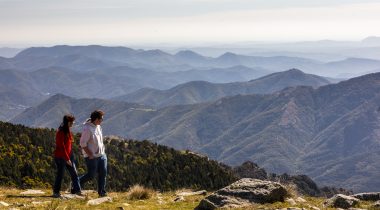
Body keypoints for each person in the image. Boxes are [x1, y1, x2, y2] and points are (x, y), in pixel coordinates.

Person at [79, 110, 107, 197]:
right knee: (91, 175)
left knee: (103, 173)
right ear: (96, 119)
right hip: (92, 156)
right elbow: (82, 143)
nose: (102, 120)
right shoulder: (87, 128)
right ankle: (76, 183)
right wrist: (90, 154)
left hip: (102, 155)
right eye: (101, 119)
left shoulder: (98, 126)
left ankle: (102, 192)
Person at [53, 114, 82, 198]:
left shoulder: (67, 130)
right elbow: (61, 146)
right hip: (61, 156)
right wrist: (67, 159)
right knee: (60, 174)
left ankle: (78, 191)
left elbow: (68, 143)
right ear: (68, 122)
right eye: (72, 122)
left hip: (68, 155)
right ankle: (56, 192)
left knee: (74, 173)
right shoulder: (61, 131)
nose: (73, 123)